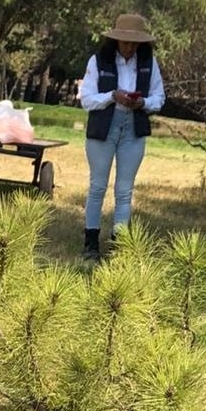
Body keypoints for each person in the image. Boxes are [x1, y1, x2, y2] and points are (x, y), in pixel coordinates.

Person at [79, 13, 165, 261]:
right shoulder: (99, 61)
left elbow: (159, 98)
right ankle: (91, 243)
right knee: (97, 186)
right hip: (104, 126)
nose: (129, 47)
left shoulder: (149, 62)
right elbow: (86, 99)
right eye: (125, 42)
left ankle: (119, 244)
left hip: (133, 127)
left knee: (125, 190)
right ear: (116, 40)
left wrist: (143, 103)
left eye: (134, 43)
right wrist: (111, 96)